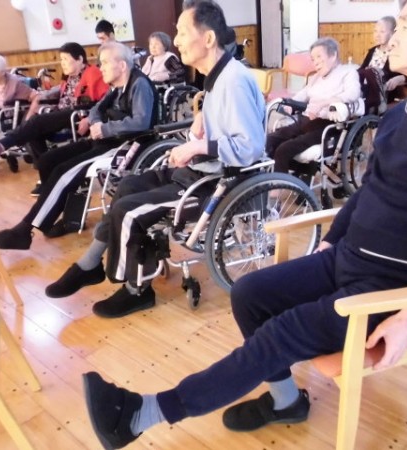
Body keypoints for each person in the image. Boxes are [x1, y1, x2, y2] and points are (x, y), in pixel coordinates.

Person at [80, 0, 407, 448]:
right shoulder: (401, 114)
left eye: (406, 24)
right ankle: (287, 400)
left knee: (281, 333)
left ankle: (142, 414)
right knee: (250, 293)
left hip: (399, 287)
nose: (393, 36)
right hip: (350, 259)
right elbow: (368, 191)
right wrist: (330, 242)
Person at [45, 0, 265, 319]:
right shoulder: (216, 78)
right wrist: (201, 123)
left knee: (129, 211)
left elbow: (249, 147)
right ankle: (89, 264)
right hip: (201, 172)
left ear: (208, 39)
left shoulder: (233, 81)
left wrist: (196, 148)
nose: (175, 40)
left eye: (182, 32)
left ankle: (136, 291)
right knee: (129, 186)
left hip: (221, 183)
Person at [0, 41, 157, 248]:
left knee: (64, 172)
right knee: (48, 161)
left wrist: (104, 128)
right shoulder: (116, 87)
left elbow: (141, 122)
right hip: (105, 140)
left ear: (122, 66)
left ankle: (24, 231)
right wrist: (97, 124)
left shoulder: (139, 84)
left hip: (126, 146)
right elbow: (95, 110)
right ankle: (54, 216)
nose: (101, 68)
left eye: (105, 63)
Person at [0, 42, 109, 168]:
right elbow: (59, 92)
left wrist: (89, 118)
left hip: (78, 114)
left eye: (65, 59)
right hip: (62, 115)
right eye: (61, 59)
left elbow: (105, 101)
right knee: (32, 132)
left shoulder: (94, 74)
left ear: (79, 59)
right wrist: (42, 96)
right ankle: (46, 170)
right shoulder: (69, 76)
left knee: (35, 122)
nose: (62, 63)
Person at [266, 37, 363, 175]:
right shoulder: (316, 77)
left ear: (333, 55)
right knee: (269, 141)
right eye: (313, 59)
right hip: (306, 121)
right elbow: (303, 94)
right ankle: (306, 170)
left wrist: (323, 103)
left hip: (327, 125)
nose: (315, 62)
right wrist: (290, 104)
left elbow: (353, 93)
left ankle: (279, 185)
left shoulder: (348, 72)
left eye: (319, 57)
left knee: (284, 149)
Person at [360, 16, 407, 102]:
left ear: (392, 33)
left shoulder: (397, 53)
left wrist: (400, 78)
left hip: (383, 97)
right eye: (375, 31)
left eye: (382, 32)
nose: (377, 35)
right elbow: (361, 70)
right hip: (364, 92)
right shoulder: (372, 51)